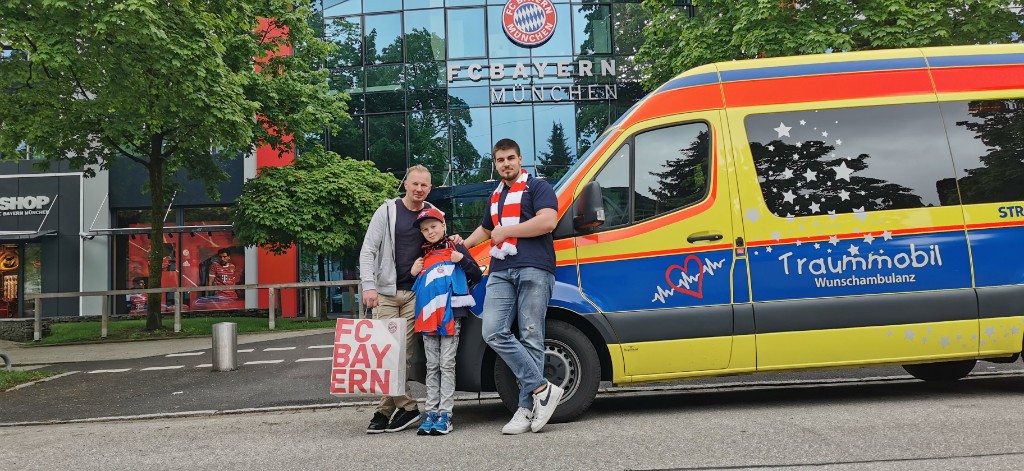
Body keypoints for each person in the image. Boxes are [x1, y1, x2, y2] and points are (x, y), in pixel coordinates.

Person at [464, 138, 562, 435]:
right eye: (500, 160)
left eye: (510, 158)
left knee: (532, 336)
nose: (505, 163)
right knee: (492, 330)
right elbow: (486, 229)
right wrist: (462, 246)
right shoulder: (496, 195)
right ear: (495, 164)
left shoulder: (538, 187)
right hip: (501, 270)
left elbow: (548, 222)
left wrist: (507, 231)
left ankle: (525, 408)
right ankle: (542, 388)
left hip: (534, 266)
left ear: (520, 159)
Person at [359, 165, 463, 434]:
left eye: (424, 185)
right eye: (415, 184)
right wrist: (369, 286)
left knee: (401, 356)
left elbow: (440, 239)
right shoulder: (388, 210)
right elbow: (368, 249)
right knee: (384, 356)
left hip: (417, 294)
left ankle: (385, 411)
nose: (419, 189)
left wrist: (455, 239)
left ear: (429, 188)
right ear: (406, 183)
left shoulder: (432, 212)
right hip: (386, 293)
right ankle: (405, 407)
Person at [409, 207, 482, 436]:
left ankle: (446, 414)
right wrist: (413, 272)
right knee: (432, 366)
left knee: (447, 364)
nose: (430, 232)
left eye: (433, 227)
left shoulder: (456, 246)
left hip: (451, 316)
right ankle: (431, 411)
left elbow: (477, 275)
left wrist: (461, 259)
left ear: (443, 227)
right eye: (425, 229)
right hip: (428, 318)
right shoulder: (423, 256)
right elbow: (417, 286)